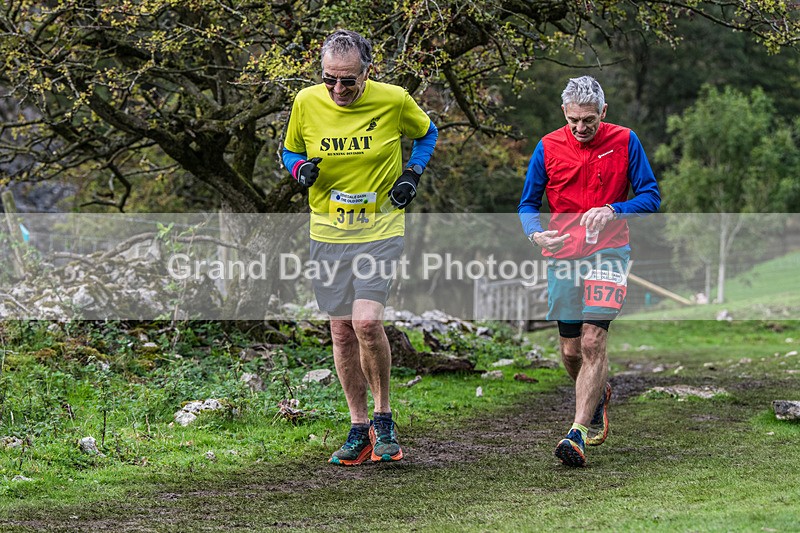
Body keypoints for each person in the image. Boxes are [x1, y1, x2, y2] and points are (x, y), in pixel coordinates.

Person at [282, 29, 438, 465]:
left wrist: (412, 173)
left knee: (367, 323)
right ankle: (358, 427)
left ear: (368, 72)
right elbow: (289, 150)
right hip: (328, 234)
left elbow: (428, 134)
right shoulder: (306, 102)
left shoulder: (393, 99)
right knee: (340, 329)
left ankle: (383, 419)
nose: (337, 89)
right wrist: (299, 171)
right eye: (330, 78)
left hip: (379, 229)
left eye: (347, 81)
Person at [518, 76, 660, 467]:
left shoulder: (626, 141)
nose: (582, 128)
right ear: (564, 112)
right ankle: (598, 393)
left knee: (593, 341)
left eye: (590, 120)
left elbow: (651, 196)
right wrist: (536, 235)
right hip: (562, 255)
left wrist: (615, 209)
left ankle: (576, 433)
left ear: (604, 113)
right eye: (575, 120)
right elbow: (527, 204)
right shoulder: (547, 146)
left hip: (610, 252)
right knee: (570, 350)